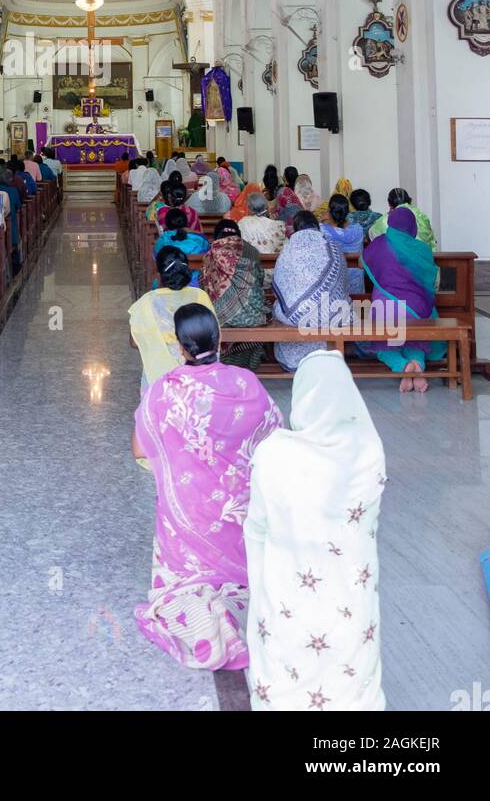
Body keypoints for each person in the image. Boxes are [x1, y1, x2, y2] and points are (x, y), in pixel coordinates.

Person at [133, 304, 282, 671]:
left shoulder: (165, 391)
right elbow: (274, 436)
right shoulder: (247, 383)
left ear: (180, 348)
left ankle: (198, 597)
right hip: (239, 513)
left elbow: (139, 448)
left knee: (175, 500)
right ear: (221, 340)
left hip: (189, 512)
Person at [245, 349, 386, 711]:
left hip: (289, 601)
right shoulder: (368, 450)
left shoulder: (275, 452)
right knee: (350, 673)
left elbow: (257, 527)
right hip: (350, 604)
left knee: (287, 673)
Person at [357, 206, 444, 392]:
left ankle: (403, 367)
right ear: (413, 227)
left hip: (386, 307)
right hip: (417, 307)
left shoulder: (381, 243)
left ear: (390, 224)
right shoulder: (423, 249)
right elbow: (430, 279)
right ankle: (417, 365)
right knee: (415, 341)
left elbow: (361, 261)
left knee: (383, 344)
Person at [270, 211, 348, 372]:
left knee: (277, 307)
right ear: (317, 226)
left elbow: (279, 281)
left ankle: (295, 358)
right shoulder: (332, 246)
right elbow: (343, 281)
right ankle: (327, 356)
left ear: (296, 229)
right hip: (334, 312)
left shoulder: (289, 249)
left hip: (298, 315)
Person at [128, 248, 215, 389]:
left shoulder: (146, 302)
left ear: (159, 274)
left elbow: (134, 342)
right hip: (198, 372)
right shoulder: (200, 296)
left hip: (159, 376)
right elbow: (213, 334)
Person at [201, 218, 268, 370]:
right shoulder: (251, 250)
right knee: (267, 306)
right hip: (253, 318)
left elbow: (203, 282)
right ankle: (252, 357)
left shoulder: (211, 252)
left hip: (220, 318)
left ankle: (222, 359)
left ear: (217, 235)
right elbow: (260, 279)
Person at [320, 193, 365, 294]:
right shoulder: (358, 230)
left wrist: (322, 221)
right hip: (357, 286)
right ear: (347, 212)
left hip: (335, 288)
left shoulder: (323, 231)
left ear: (330, 212)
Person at [367, 187, 436, 248]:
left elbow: (371, 234)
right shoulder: (422, 216)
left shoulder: (386, 219)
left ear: (389, 204)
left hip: (401, 260)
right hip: (426, 257)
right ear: (409, 200)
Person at [239, 191, 286, 256]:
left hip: (253, 263)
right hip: (276, 263)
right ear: (266, 205)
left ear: (249, 208)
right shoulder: (280, 225)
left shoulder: (243, 222)